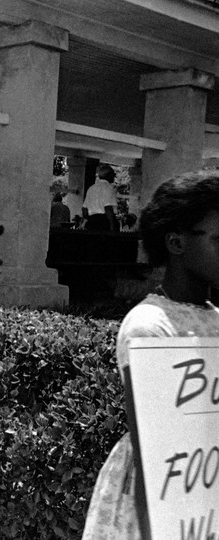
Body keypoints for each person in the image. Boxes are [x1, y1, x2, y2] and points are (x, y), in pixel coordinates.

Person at [82, 170, 219, 539]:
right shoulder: (149, 326)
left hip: (206, 485)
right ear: (175, 243)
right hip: (160, 502)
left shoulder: (216, 319)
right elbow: (154, 456)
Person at [82, 164, 119, 231]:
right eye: (113, 175)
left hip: (92, 221)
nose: (114, 177)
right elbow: (108, 208)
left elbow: (84, 209)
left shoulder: (91, 188)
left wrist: (87, 221)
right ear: (109, 175)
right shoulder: (108, 188)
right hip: (104, 221)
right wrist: (112, 225)